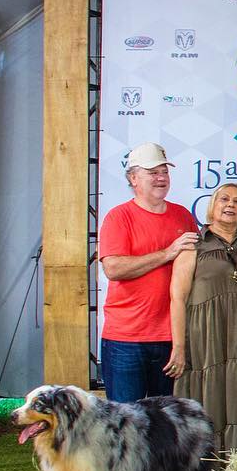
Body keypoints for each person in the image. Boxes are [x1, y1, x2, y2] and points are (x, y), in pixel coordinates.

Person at [166, 182, 237, 453]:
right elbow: (178, 299)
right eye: (224, 200)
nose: (230, 205)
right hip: (208, 342)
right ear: (212, 207)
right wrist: (179, 348)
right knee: (212, 402)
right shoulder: (193, 245)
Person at [96, 141, 200, 403]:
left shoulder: (182, 216)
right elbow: (114, 268)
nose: (161, 177)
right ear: (133, 178)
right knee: (124, 420)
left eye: (164, 171)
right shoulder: (119, 217)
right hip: (125, 339)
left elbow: (205, 258)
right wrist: (167, 253)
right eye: (153, 172)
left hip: (169, 338)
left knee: (164, 424)